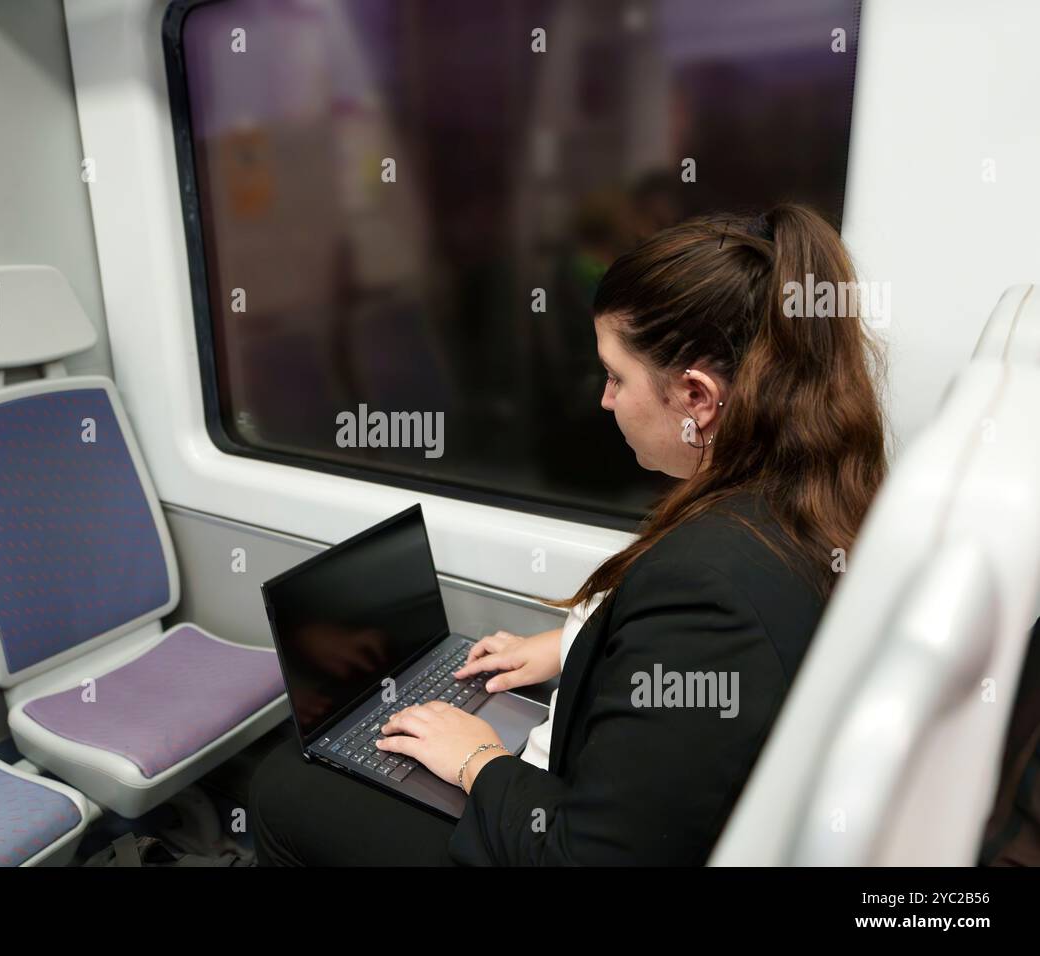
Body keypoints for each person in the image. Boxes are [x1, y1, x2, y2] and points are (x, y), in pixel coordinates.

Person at [248, 204, 888, 865]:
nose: (605, 400)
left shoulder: (708, 588)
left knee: (282, 790)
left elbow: (587, 856)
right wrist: (576, 644)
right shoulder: (814, 494)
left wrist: (477, 761)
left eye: (616, 376)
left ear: (697, 396)